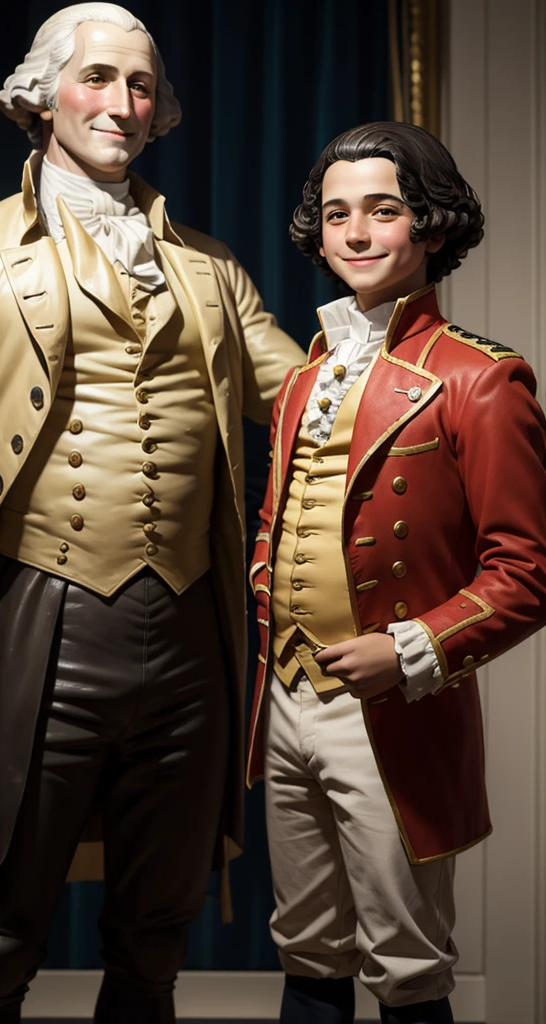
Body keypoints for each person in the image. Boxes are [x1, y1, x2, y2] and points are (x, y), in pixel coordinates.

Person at [0, 5, 304, 1022]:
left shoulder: (210, 267)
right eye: (99, 78)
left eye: (142, 86)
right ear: (41, 94)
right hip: (38, 625)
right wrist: (15, 541)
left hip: (194, 634)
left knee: (157, 936)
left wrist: (422, 360)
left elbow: (305, 402)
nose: (123, 103)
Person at [247, 121, 546, 1024]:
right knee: (306, 944)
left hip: (393, 710)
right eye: (338, 214)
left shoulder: (481, 379)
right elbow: (275, 525)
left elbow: (525, 573)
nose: (358, 232)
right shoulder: (305, 377)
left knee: (407, 964)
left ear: (432, 226)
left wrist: (409, 651)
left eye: (384, 210)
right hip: (287, 697)